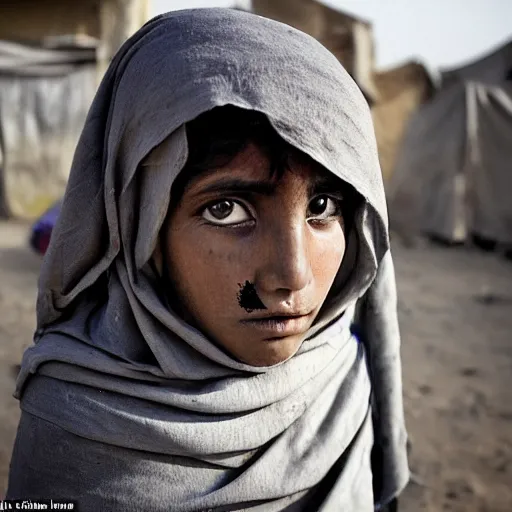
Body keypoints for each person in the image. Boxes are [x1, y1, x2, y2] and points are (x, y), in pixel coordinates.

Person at [7, 8, 409, 511]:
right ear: (140, 225)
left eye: (322, 208)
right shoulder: (76, 416)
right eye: (226, 209)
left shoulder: (339, 369)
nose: (292, 277)